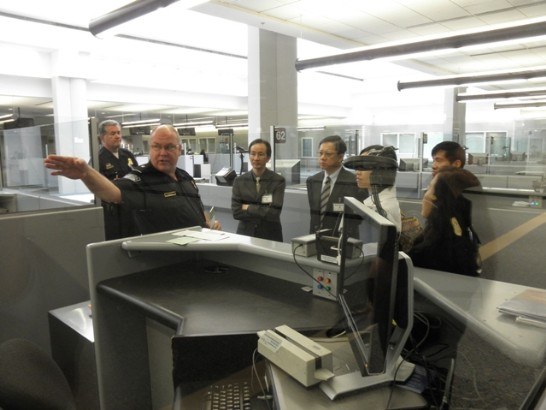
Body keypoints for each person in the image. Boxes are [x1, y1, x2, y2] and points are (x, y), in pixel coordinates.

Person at [45, 124, 221, 237]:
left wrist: (207, 223)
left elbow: (196, 206)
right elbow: (112, 192)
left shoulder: (185, 177)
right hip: (169, 258)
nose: (163, 153)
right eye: (156, 147)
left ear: (179, 149)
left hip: (200, 247)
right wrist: (86, 173)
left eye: (169, 147)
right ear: (150, 149)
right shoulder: (142, 178)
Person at [409, 165, 482, 276]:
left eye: (429, 188)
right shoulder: (463, 233)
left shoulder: (431, 248)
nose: (425, 194)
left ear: (439, 200)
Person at [306, 135, 365, 236]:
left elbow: (358, 216)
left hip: (343, 239)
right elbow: (314, 214)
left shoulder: (355, 182)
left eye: (328, 154)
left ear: (340, 157)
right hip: (316, 237)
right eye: (320, 153)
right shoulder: (312, 181)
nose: (322, 158)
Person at [231, 138, 286, 241]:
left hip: (270, 235)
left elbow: (274, 213)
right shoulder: (239, 181)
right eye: (253, 154)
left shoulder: (278, 181)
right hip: (245, 235)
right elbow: (236, 212)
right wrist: (263, 210)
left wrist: (248, 207)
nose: (256, 158)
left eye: (260, 154)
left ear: (268, 158)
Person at [94, 119, 138, 240]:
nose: (117, 136)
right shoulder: (98, 159)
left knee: (133, 240)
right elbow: (96, 187)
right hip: (112, 213)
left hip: (131, 208)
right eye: (112, 133)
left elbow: (138, 176)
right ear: (102, 137)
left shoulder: (128, 155)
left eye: (118, 132)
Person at [354, 145, 401, 231]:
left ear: (380, 171)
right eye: (358, 166)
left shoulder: (381, 209)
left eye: (364, 167)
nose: (358, 172)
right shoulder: (376, 200)